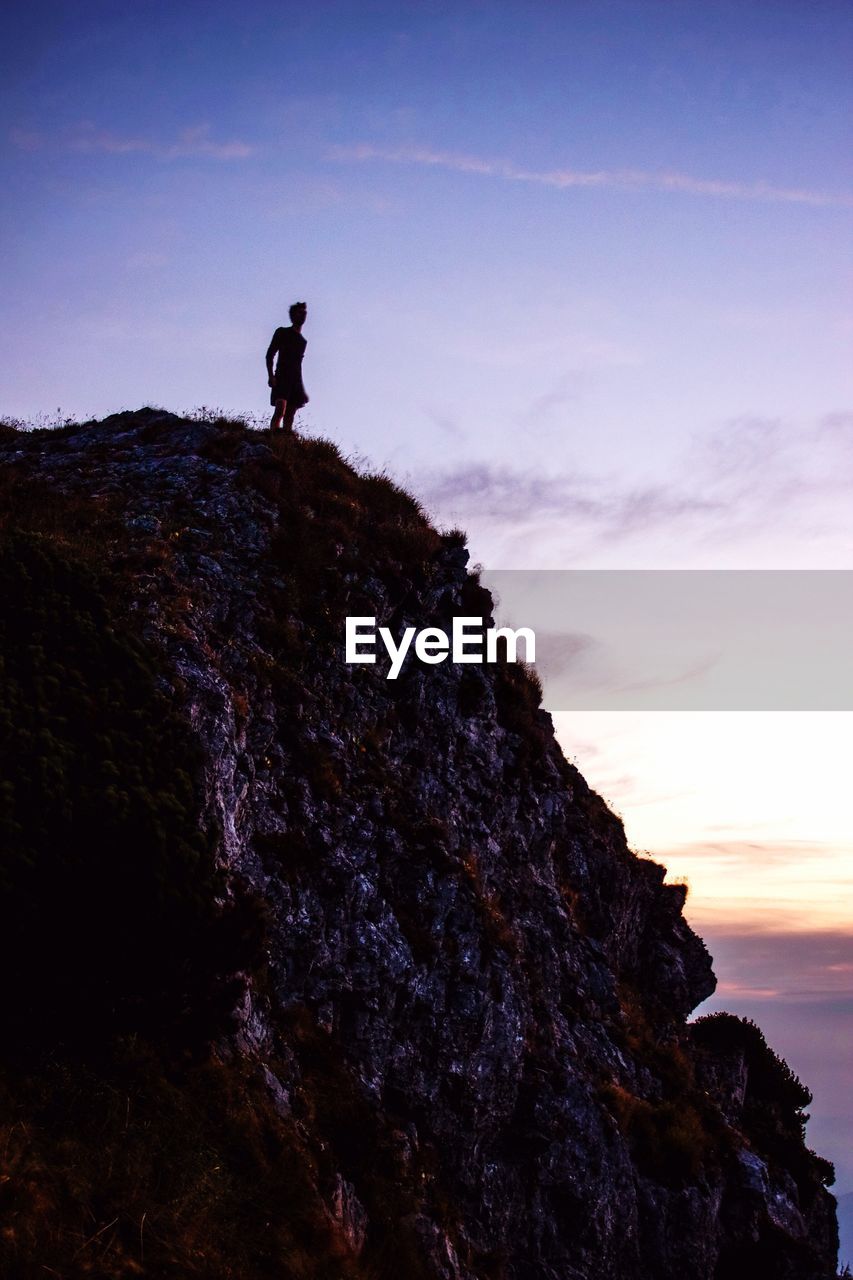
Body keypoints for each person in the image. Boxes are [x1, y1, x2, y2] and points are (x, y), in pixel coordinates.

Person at [266, 302, 309, 434]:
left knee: (290, 416)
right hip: (281, 376)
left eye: (304, 313)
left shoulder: (302, 341)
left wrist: (302, 389)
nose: (303, 316)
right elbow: (270, 355)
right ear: (292, 316)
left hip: (296, 381)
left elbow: (298, 365)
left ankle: (285, 442)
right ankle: (273, 436)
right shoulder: (282, 332)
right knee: (280, 411)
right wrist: (271, 376)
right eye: (299, 313)